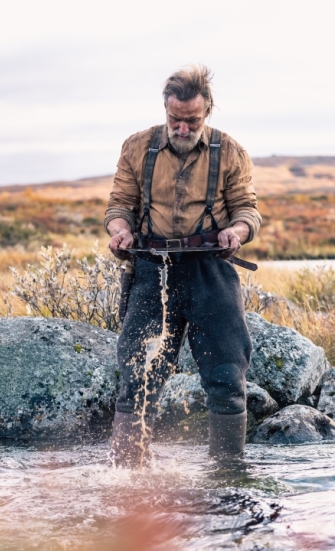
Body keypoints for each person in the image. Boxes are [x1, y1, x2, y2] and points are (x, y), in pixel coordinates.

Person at [104, 64, 261, 467]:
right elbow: (119, 205)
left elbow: (247, 209)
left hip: (211, 271)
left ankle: (228, 477)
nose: (183, 127)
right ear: (165, 109)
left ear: (206, 112)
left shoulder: (230, 152)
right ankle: (128, 477)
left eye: (192, 120)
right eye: (176, 118)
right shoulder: (137, 148)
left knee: (227, 378)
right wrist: (120, 231)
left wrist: (237, 232)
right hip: (152, 271)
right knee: (137, 377)